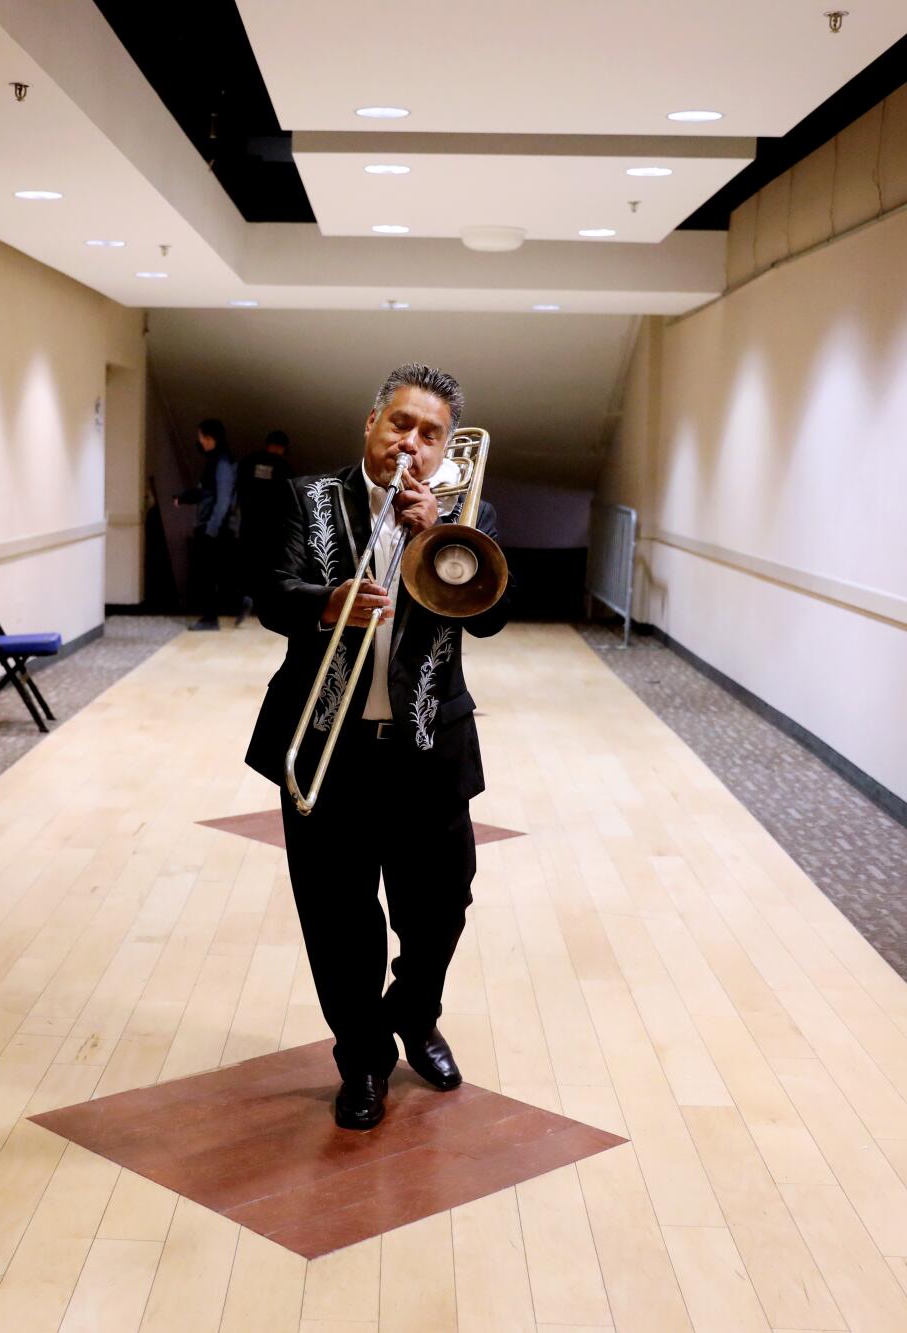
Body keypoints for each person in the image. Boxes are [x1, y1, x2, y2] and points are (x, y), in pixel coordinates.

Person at [244, 364, 511, 1130]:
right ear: (371, 424)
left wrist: (439, 532)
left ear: (445, 448)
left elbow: (489, 616)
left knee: (442, 907)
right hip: (328, 743)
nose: (411, 444)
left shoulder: (469, 509)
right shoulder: (309, 498)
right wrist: (327, 603)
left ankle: (414, 1015)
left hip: (429, 748)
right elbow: (270, 593)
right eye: (400, 423)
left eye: (430, 434)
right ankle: (362, 1057)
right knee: (338, 918)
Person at [173, 419, 235, 630]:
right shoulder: (215, 461)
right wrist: (184, 498)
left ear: (209, 438)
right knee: (219, 572)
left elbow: (223, 499)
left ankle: (210, 619)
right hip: (213, 526)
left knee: (208, 575)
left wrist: (211, 529)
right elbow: (205, 492)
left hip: (213, 527)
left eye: (200, 436)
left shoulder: (222, 463)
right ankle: (241, 602)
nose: (198, 441)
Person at [235, 430, 295, 623]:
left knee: (247, 564)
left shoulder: (248, 462)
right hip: (273, 528)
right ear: (283, 448)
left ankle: (245, 598)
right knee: (270, 568)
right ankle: (266, 607)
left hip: (249, 524)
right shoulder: (284, 467)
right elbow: (290, 499)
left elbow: (238, 490)